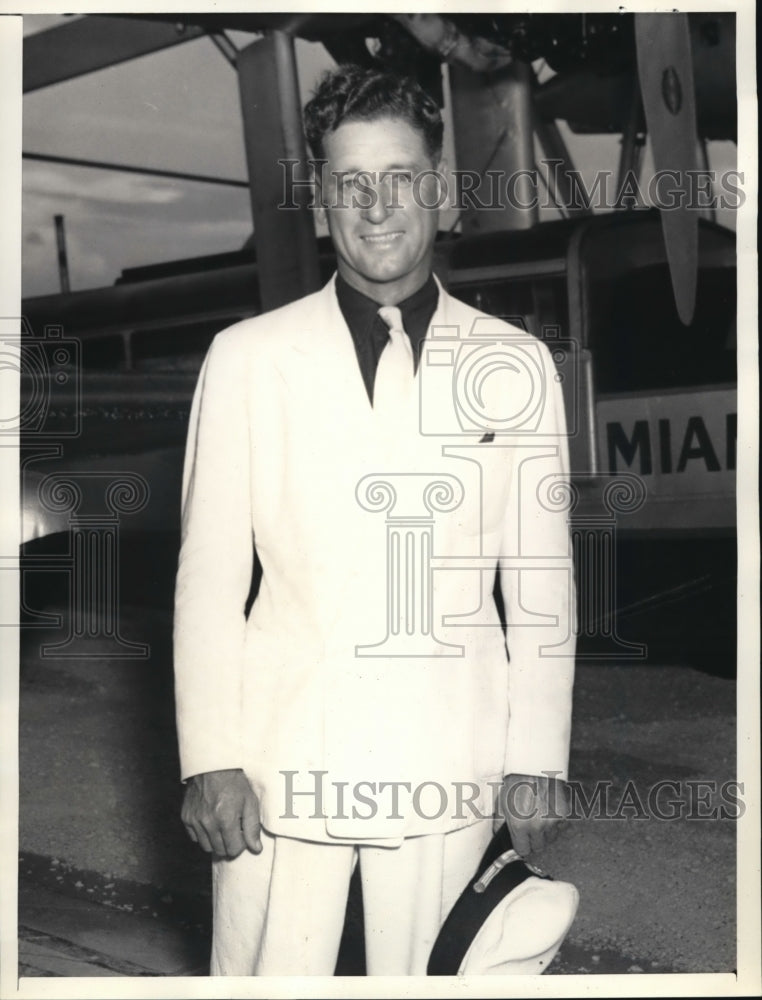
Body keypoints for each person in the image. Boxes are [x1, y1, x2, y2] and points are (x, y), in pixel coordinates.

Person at [173, 64, 576, 976]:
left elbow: (541, 583)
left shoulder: (516, 364)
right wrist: (211, 758)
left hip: (453, 765)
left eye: (399, 177)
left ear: (439, 188)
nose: (377, 206)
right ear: (321, 198)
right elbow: (209, 583)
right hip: (282, 771)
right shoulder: (246, 359)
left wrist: (537, 756)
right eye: (351, 182)